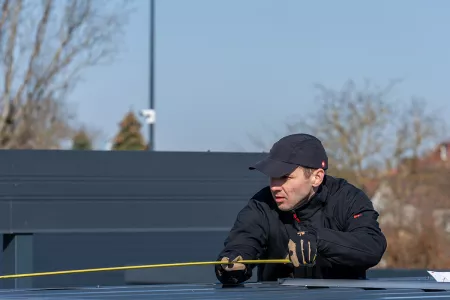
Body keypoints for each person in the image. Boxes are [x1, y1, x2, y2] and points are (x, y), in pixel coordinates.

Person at [214, 133, 387, 285]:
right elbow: (243, 242)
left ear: (316, 177)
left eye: (285, 177)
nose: (275, 187)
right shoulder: (262, 204)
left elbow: (372, 246)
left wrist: (319, 241)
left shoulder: (347, 198)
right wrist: (232, 265)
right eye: (272, 177)